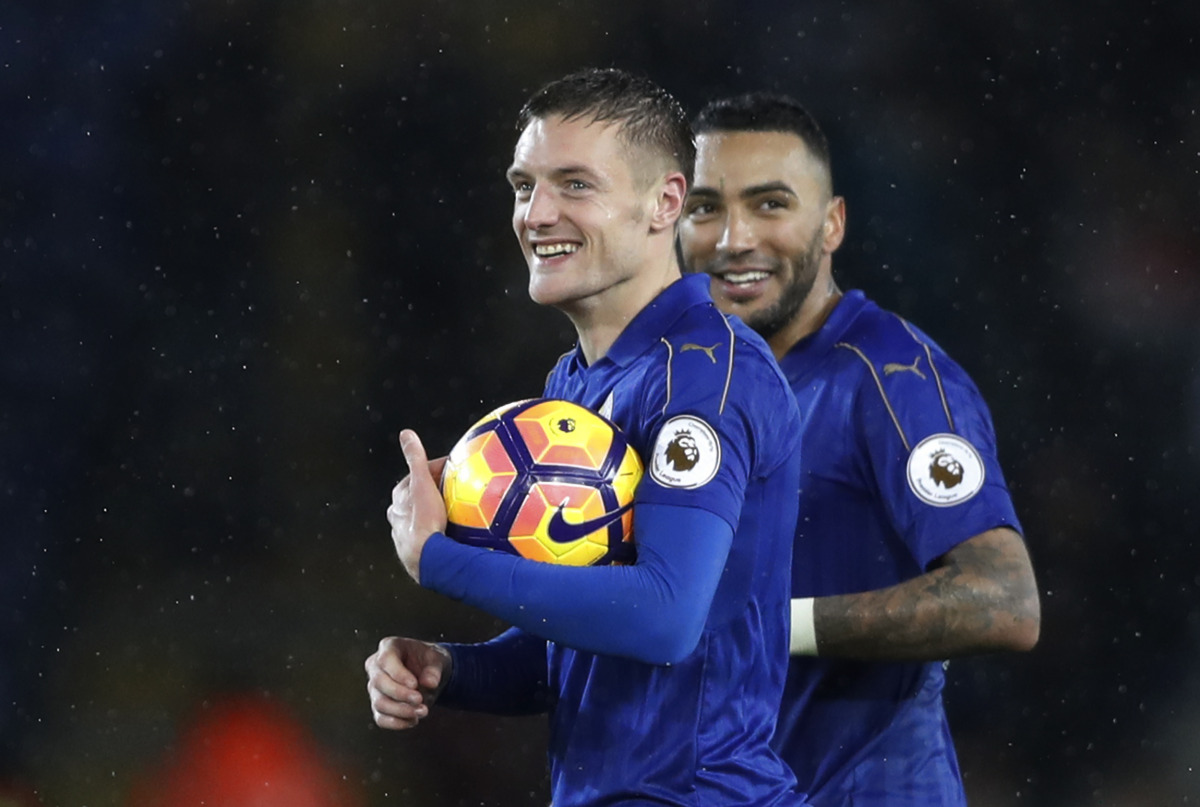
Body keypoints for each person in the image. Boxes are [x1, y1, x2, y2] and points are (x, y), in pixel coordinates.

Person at [367, 69, 811, 807]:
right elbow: (576, 653)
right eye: (523, 186)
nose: (537, 213)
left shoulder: (704, 376)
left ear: (664, 202)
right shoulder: (574, 385)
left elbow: (664, 616)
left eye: (575, 185)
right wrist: (450, 669)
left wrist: (438, 558)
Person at [677, 91, 1042, 806]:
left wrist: (778, 625)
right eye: (706, 206)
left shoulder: (892, 379)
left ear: (832, 222)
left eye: (770, 204)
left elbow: (1005, 600)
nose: (733, 239)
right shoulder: (686, 386)